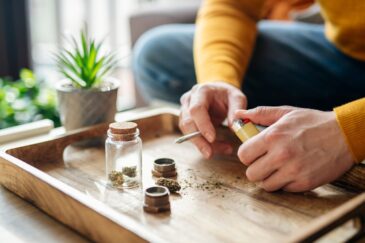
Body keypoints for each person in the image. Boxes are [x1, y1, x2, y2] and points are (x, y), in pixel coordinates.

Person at [132, 0, 365, 192]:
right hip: (350, 56)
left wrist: (348, 130)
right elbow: (233, 5)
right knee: (157, 55)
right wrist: (218, 79)